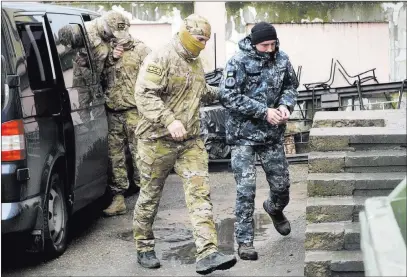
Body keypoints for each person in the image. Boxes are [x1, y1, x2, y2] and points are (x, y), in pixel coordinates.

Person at [132, 14, 237, 275]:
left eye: (205, 40)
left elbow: (199, 91)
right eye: (198, 39)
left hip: (190, 142)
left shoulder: (195, 61)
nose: (202, 44)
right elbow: (144, 94)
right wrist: (169, 120)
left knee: (199, 194)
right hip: (156, 141)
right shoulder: (161, 57)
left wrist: (224, 94)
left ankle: (207, 252)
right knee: (150, 195)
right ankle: (144, 246)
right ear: (186, 33)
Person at [219, 22, 299, 261]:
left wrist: (285, 105)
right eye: (265, 45)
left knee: (282, 186)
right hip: (243, 135)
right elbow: (228, 96)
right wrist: (263, 111)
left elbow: (291, 87)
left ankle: (274, 209)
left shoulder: (282, 58)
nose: (270, 48)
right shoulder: (237, 61)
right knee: (246, 190)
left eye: (273, 44)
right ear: (254, 43)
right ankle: (245, 242)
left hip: (272, 135)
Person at [101, 34, 151, 216]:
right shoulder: (107, 50)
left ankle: (146, 197)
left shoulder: (142, 50)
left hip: (134, 111)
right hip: (113, 110)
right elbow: (96, 74)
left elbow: (155, 76)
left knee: (140, 152)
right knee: (114, 156)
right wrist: (111, 59)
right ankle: (118, 198)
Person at [58, 11, 131, 122]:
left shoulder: (111, 32)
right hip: (89, 77)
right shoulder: (83, 34)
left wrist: (113, 56)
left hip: (104, 80)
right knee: (87, 107)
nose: (112, 36)